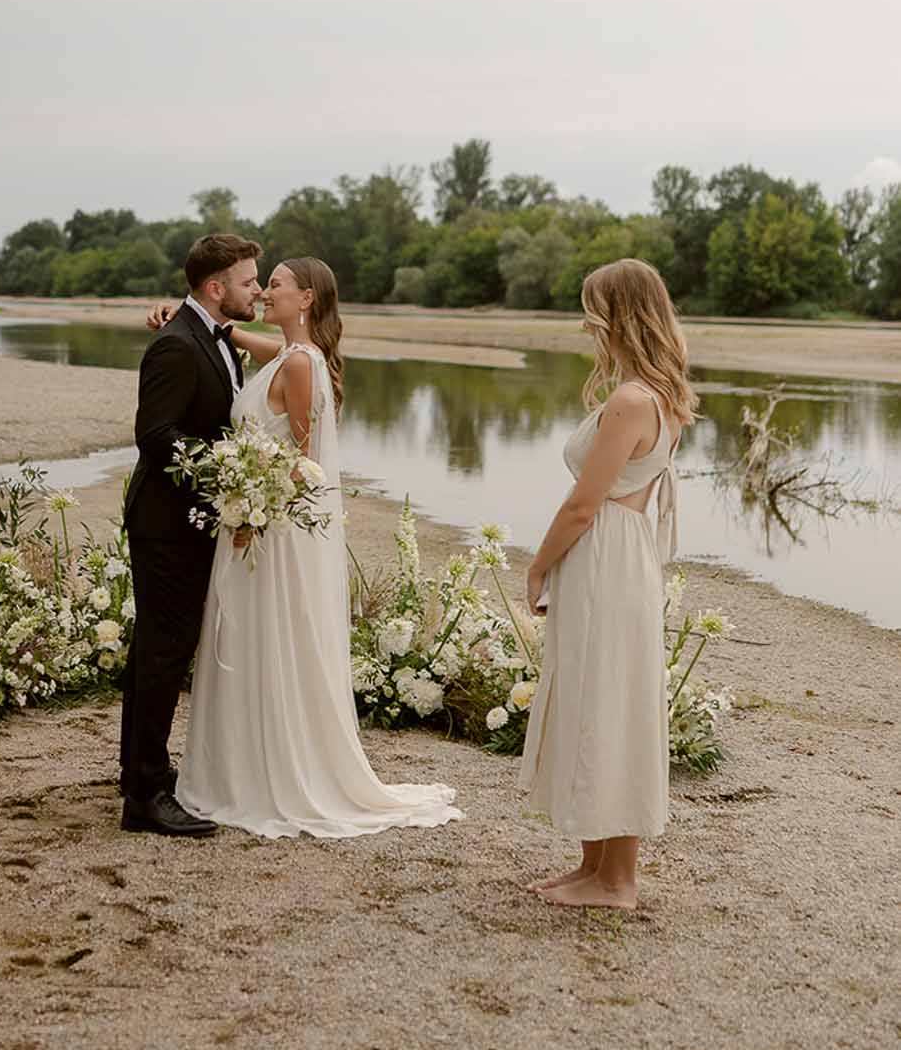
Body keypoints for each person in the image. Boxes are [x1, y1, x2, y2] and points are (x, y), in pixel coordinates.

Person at [151, 259, 464, 840]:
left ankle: (261, 776)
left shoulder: (299, 365)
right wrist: (190, 320)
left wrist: (252, 508)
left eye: (275, 284)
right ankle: (237, 768)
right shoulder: (291, 354)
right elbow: (244, 337)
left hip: (264, 532)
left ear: (307, 298)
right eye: (263, 283)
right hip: (251, 526)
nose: (266, 291)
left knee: (260, 639)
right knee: (246, 638)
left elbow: (302, 462)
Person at [518, 258, 697, 910]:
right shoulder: (652, 392)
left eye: (593, 308)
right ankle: (593, 865)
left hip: (606, 555)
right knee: (598, 696)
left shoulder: (630, 401)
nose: (585, 321)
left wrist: (537, 565)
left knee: (611, 702)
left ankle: (617, 880)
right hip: (615, 554)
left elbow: (582, 504)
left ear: (617, 315)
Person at [119, 233, 264, 836]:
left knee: (165, 650)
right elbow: (155, 436)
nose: (256, 288)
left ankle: (144, 773)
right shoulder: (177, 346)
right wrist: (225, 479)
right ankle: (145, 796)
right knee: (161, 653)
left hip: (191, 524)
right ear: (215, 287)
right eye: (248, 280)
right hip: (167, 526)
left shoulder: (215, 338)